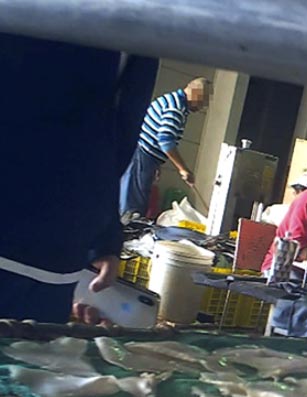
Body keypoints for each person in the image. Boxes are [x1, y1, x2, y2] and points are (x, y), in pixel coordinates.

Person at [1, 34, 157, 322]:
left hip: (53, 246)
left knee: (31, 357)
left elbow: (119, 128)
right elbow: (120, 127)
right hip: (56, 236)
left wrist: (104, 232)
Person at [119, 77, 211, 221]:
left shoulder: (173, 101)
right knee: (133, 209)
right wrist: (183, 169)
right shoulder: (175, 108)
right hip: (143, 155)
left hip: (145, 155)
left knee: (134, 202)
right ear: (196, 94)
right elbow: (166, 141)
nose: (202, 107)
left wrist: (157, 163)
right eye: (202, 102)